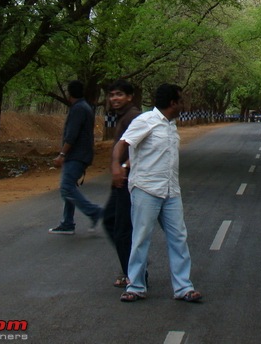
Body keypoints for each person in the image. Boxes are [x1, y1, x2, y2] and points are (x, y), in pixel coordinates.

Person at [111, 83, 202, 303]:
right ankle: (135, 286)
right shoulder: (145, 121)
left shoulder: (171, 125)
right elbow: (122, 145)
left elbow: (144, 152)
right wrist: (117, 167)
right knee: (141, 238)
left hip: (171, 191)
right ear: (172, 102)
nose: (183, 104)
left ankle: (183, 287)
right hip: (146, 189)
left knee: (179, 238)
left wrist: (132, 162)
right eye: (181, 100)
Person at [48, 80, 102, 235]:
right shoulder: (85, 107)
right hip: (82, 154)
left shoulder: (78, 109)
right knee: (69, 186)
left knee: (66, 187)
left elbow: (72, 135)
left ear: (69, 94)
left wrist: (62, 154)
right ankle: (67, 223)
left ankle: (93, 212)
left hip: (76, 155)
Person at [102, 79, 141, 288]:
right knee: (111, 221)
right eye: (111, 95)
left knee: (122, 228)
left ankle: (134, 273)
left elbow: (142, 147)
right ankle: (133, 267)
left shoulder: (133, 117)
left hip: (128, 181)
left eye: (118, 94)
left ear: (129, 96)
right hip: (120, 181)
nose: (114, 98)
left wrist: (123, 167)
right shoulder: (124, 117)